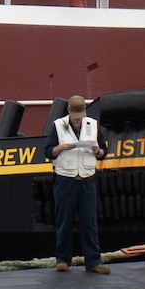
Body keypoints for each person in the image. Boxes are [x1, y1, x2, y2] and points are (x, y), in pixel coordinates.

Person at [48, 93, 103, 272]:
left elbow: (104, 151)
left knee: (89, 222)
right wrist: (60, 148)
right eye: (75, 118)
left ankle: (93, 261)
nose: (78, 121)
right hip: (65, 180)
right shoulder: (58, 126)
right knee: (64, 221)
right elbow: (48, 151)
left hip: (87, 179)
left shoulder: (93, 125)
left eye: (81, 118)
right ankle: (62, 259)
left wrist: (98, 151)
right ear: (69, 111)